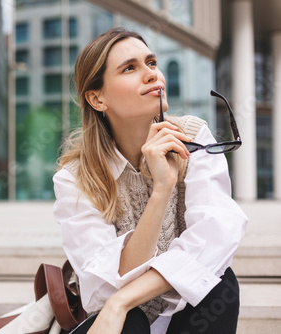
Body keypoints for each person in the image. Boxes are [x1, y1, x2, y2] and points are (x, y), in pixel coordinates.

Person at [52, 27, 248, 334]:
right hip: (117, 325)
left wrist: (123, 300)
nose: (152, 75)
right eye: (130, 68)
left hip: (183, 315)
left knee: (221, 287)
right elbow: (103, 290)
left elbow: (216, 237)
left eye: (152, 63)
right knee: (131, 320)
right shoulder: (76, 178)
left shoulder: (193, 137)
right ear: (97, 98)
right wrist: (161, 190)